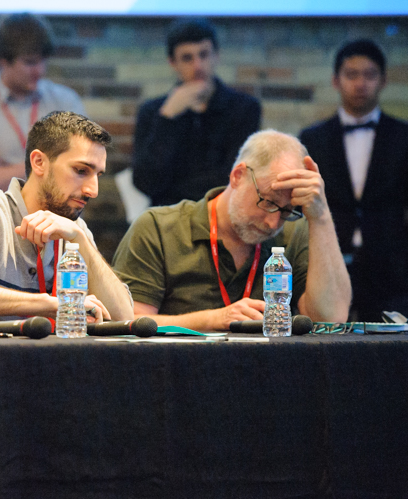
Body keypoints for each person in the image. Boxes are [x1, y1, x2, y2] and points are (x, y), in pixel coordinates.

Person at [113, 130, 352, 331]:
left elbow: (332, 319)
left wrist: (320, 217)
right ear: (238, 176)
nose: (273, 224)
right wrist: (213, 319)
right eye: (268, 202)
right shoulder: (158, 227)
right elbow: (128, 323)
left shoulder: (295, 232)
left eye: (288, 210)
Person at [0, 111, 133, 327]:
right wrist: (48, 304)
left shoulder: (74, 228)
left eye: (97, 175)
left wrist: (82, 242)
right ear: (39, 162)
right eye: (81, 171)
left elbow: (124, 317)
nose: (93, 191)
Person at [300, 39, 408, 321]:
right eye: (352, 75)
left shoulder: (403, 136)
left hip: (392, 266)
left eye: (370, 75)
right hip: (332, 256)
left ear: (383, 81)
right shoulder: (313, 138)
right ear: (336, 80)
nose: (361, 83)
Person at [132, 18, 261, 207]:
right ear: (172, 63)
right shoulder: (153, 112)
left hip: (223, 213)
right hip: (168, 217)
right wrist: (168, 118)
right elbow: (144, 182)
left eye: (204, 54)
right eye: (187, 58)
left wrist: (177, 186)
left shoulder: (244, 108)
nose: (198, 66)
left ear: (216, 55)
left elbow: (234, 178)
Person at [0, 13, 86, 196]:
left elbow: (82, 169)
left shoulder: (66, 101)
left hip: (60, 220)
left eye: (43, 61)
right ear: (3, 60)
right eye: (30, 62)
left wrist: (4, 169)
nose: (39, 71)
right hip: (3, 221)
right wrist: (53, 161)